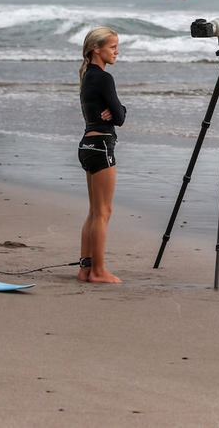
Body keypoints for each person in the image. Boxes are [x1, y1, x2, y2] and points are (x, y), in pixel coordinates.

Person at [77, 27, 127, 283]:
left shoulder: (87, 76)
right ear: (96, 49)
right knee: (103, 212)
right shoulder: (104, 79)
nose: (117, 52)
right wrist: (118, 110)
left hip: (87, 146)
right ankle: (98, 271)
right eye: (112, 47)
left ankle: (86, 268)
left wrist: (117, 109)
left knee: (94, 211)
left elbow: (116, 112)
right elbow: (118, 117)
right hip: (102, 146)